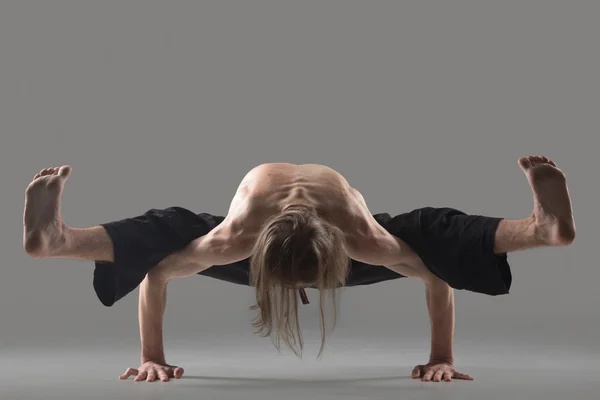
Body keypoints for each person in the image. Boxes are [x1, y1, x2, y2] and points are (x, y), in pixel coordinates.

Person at [22, 156, 575, 383]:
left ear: (338, 256)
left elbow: (434, 274)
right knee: (169, 229)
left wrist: (441, 359)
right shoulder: (233, 237)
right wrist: (151, 358)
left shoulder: (363, 237)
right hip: (258, 241)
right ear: (256, 257)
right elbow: (159, 273)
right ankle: (58, 239)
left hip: (341, 240)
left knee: (429, 232)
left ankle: (540, 229)